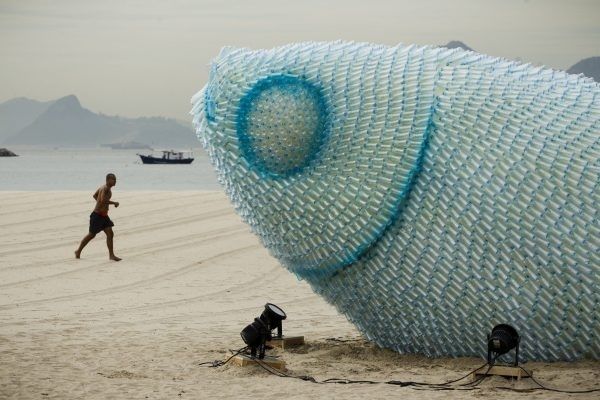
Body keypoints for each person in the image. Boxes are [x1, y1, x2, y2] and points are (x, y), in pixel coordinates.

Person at [75, 173, 121, 261]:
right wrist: (114, 203)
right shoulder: (106, 188)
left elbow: (95, 196)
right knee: (91, 235)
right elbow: (103, 200)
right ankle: (78, 251)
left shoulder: (103, 187)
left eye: (115, 179)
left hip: (104, 216)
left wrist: (99, 203)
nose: (115, 181)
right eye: (113, 179)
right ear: (108, 180)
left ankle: (111, 255)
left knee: (110, 234)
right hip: (97, 216)